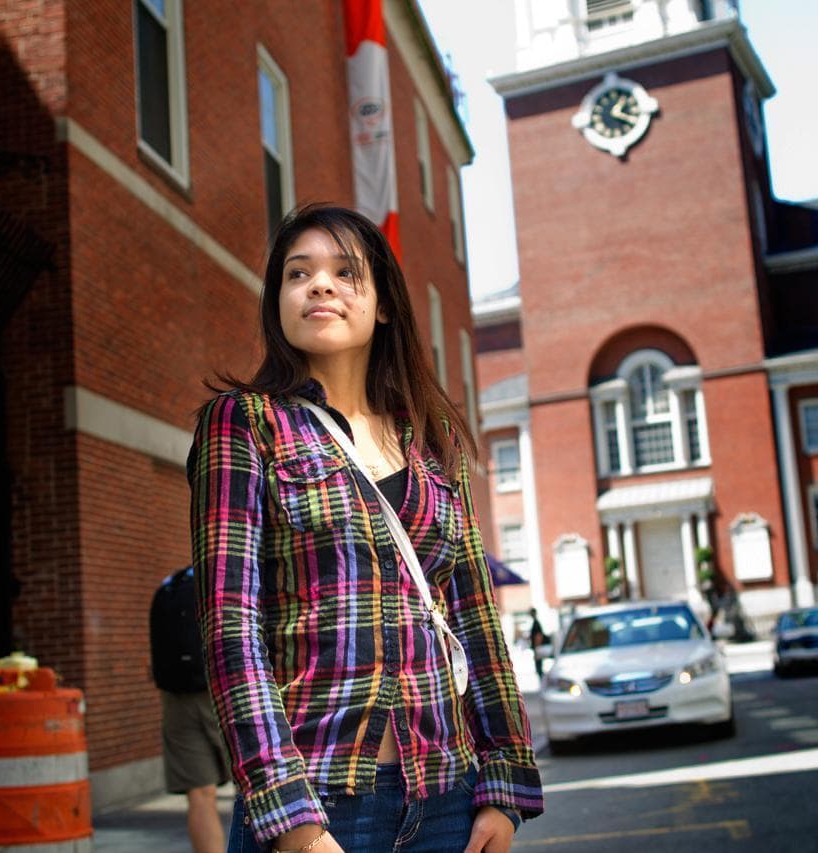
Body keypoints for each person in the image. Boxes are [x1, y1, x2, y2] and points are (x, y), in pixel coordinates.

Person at [188, 205, 542, 853]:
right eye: (298, 274)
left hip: (447, 797)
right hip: (317, 798)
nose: (319, 285)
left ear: (382, 304)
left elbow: (475, 617)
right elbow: (230, 630)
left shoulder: (431, 438)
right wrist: (291, 818)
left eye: (345, 272)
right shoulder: (246, 424)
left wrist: (503, 783)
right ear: (278, 302)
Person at [149, 566, 231, 853]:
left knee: (200, 793)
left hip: (176, 698)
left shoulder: (170, 584)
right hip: (225, 690)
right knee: (258, 788)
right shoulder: (228, 571)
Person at [527, 609, 549, 678]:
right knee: (538, 665)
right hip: (537, 646)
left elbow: (538, 636)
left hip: (537, 646)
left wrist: (536, 647)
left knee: (539, 665)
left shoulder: (536, 623)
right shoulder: (535, 622)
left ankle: (542, 678)